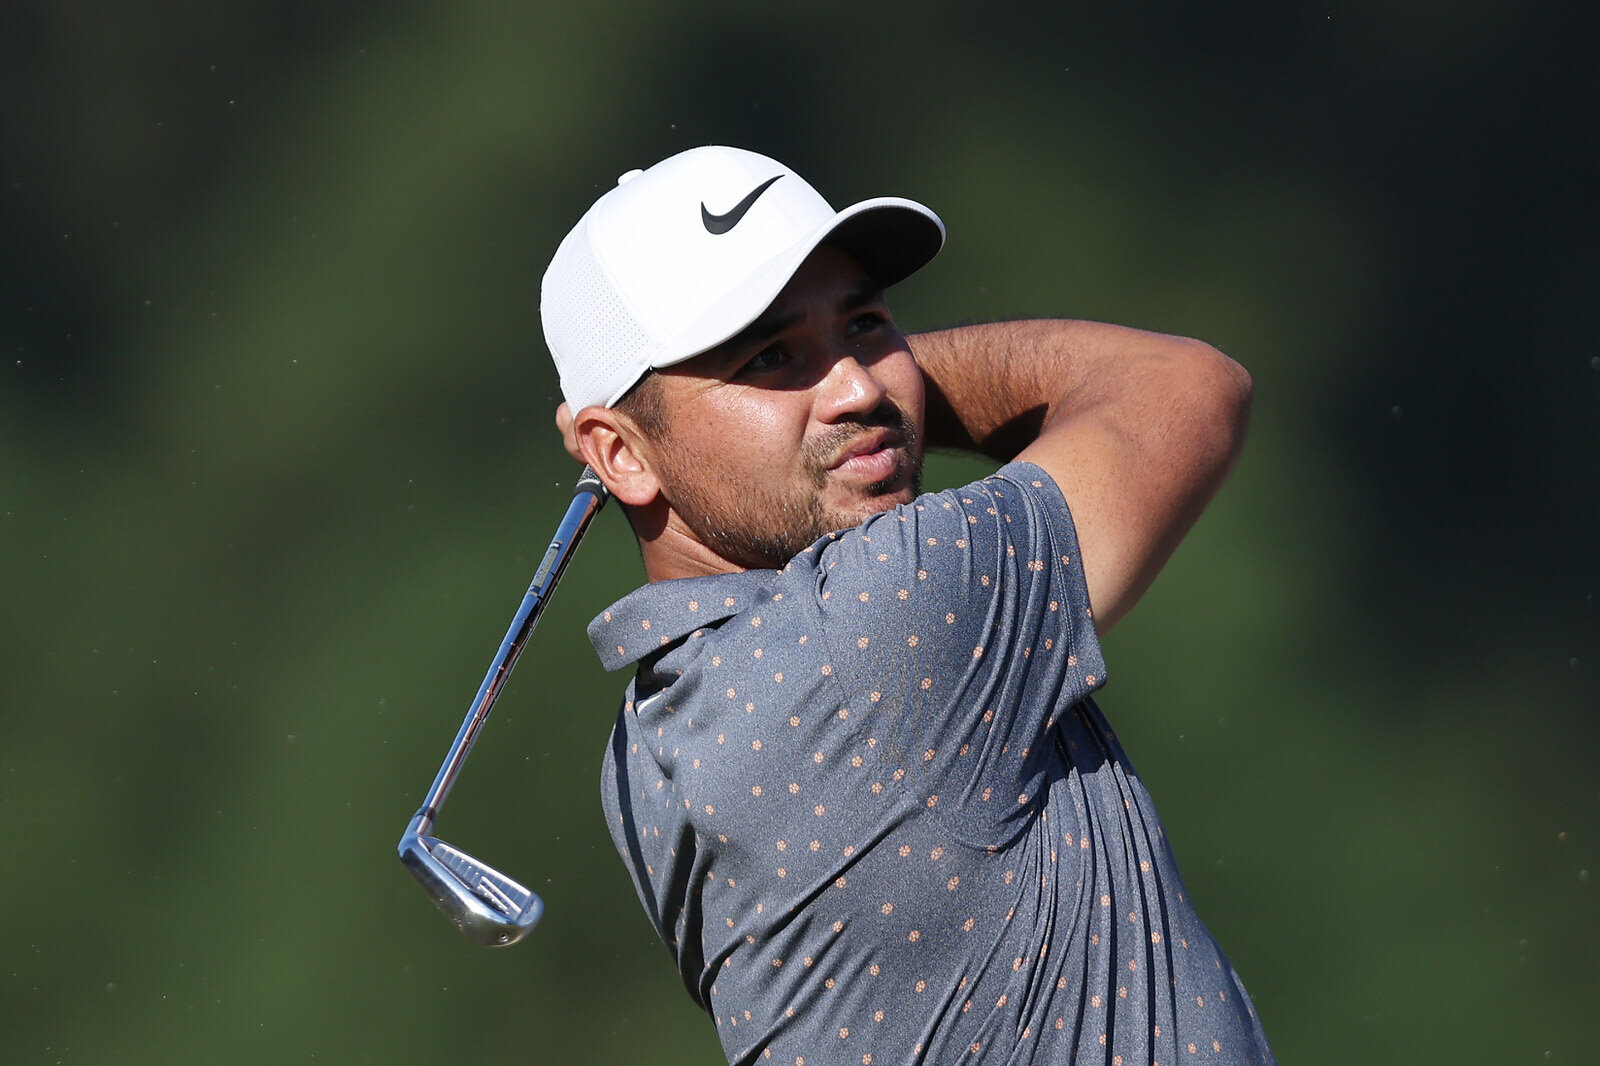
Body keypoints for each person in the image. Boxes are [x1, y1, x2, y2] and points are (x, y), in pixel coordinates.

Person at [542, 146, 1274, 1066]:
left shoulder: (647, 743)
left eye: (865, 324)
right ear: (619, 455)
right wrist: (891, 387)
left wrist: (841, 396)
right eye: (770, 355)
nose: (857, 388)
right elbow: (1187, 389)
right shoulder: (885, 618)